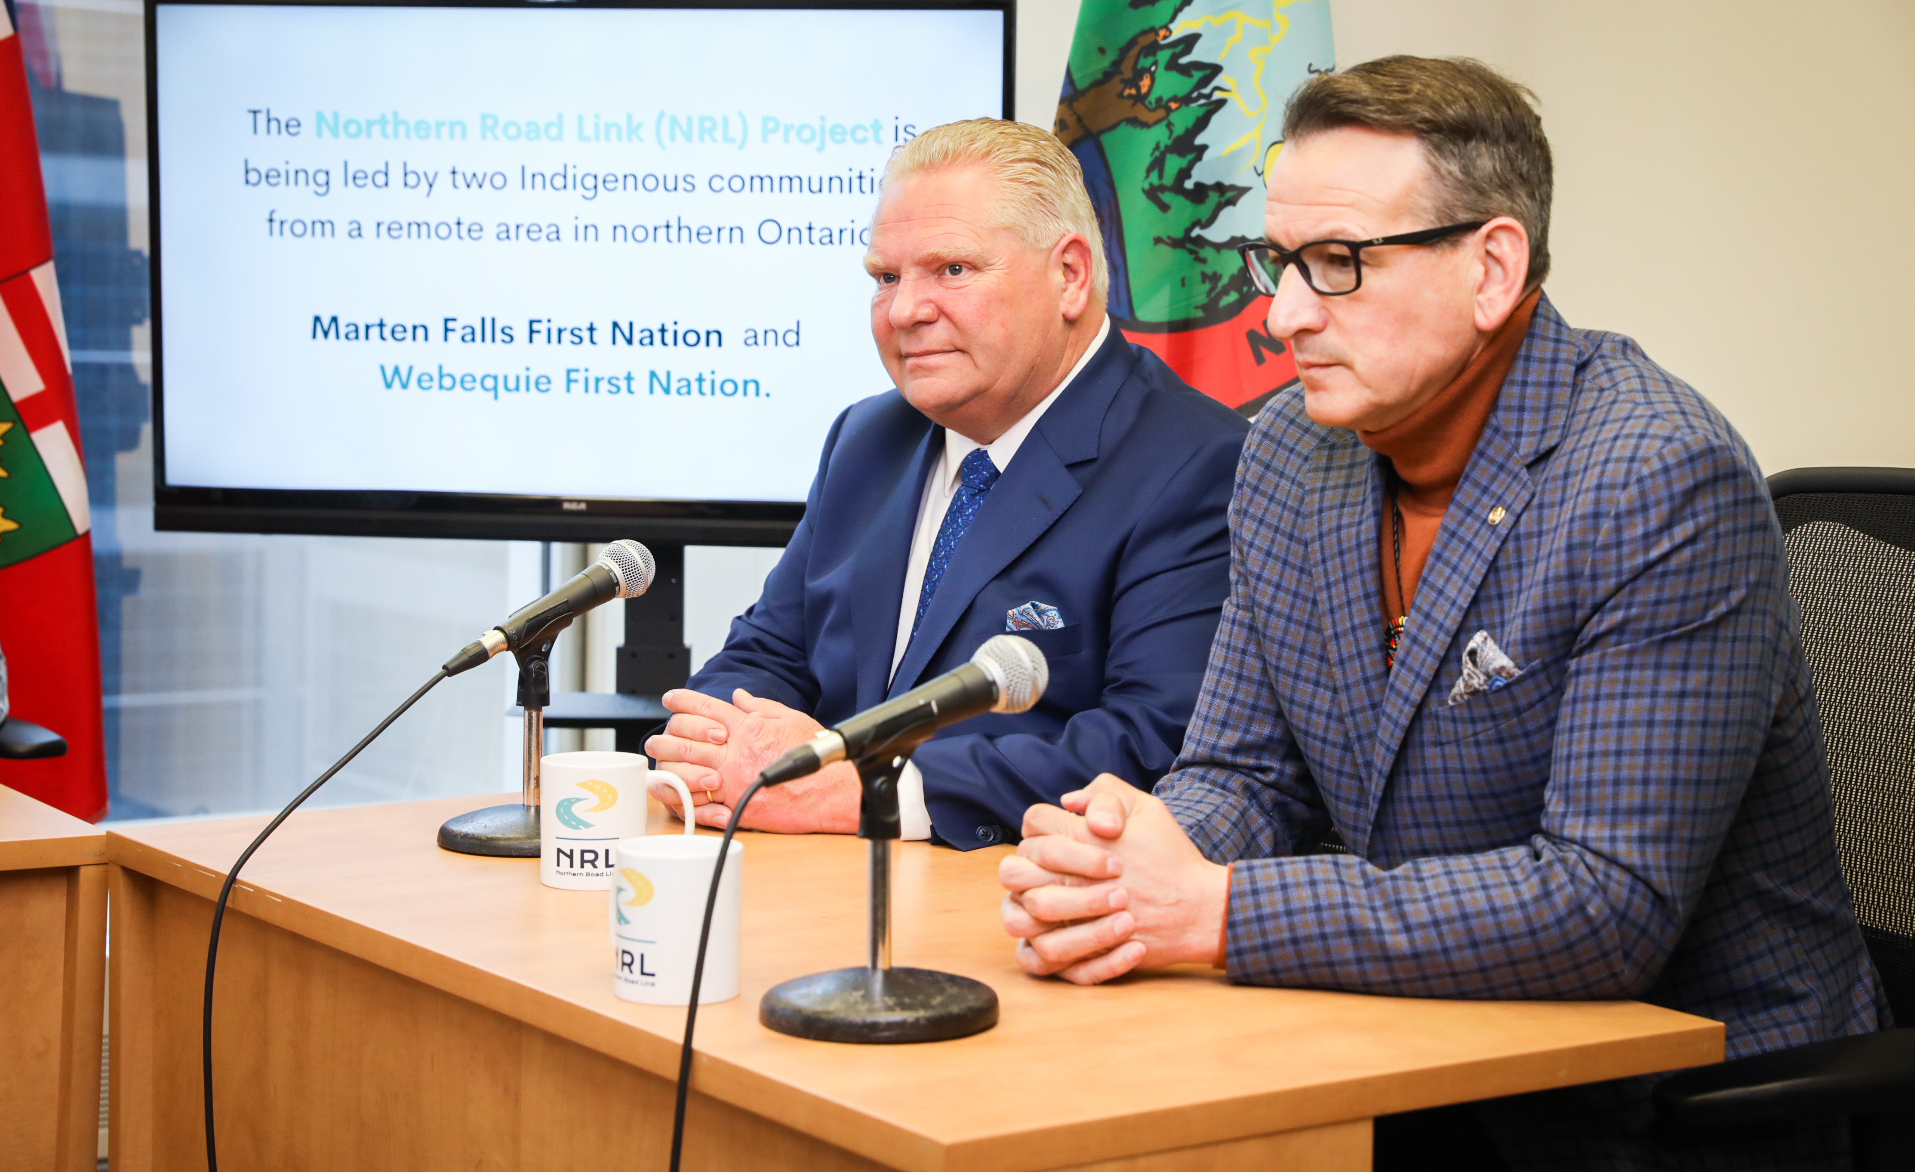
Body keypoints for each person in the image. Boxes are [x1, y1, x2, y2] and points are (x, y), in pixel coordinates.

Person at [997, 57, 1886, 1168]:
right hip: (1400, 1047)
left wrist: (1214, 909)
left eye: (1339, 265)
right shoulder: (1285, 451)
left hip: (1671, 1104)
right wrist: (1132, 864)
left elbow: (1603, 904)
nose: (1281, 315)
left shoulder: (1660, 475)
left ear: (1491, 266)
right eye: (1281, 262)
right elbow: (1244, 772)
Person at [647, 119, 1248, 848]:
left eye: (952, 270)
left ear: (1070, 275)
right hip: (813, 886)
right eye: (885, 278)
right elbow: (767, 656)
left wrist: (871, 792)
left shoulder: (1197, 463)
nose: (905, 312)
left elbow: (1155, 746)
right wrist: (714, 754)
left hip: (1012, 905)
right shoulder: (868, 439)